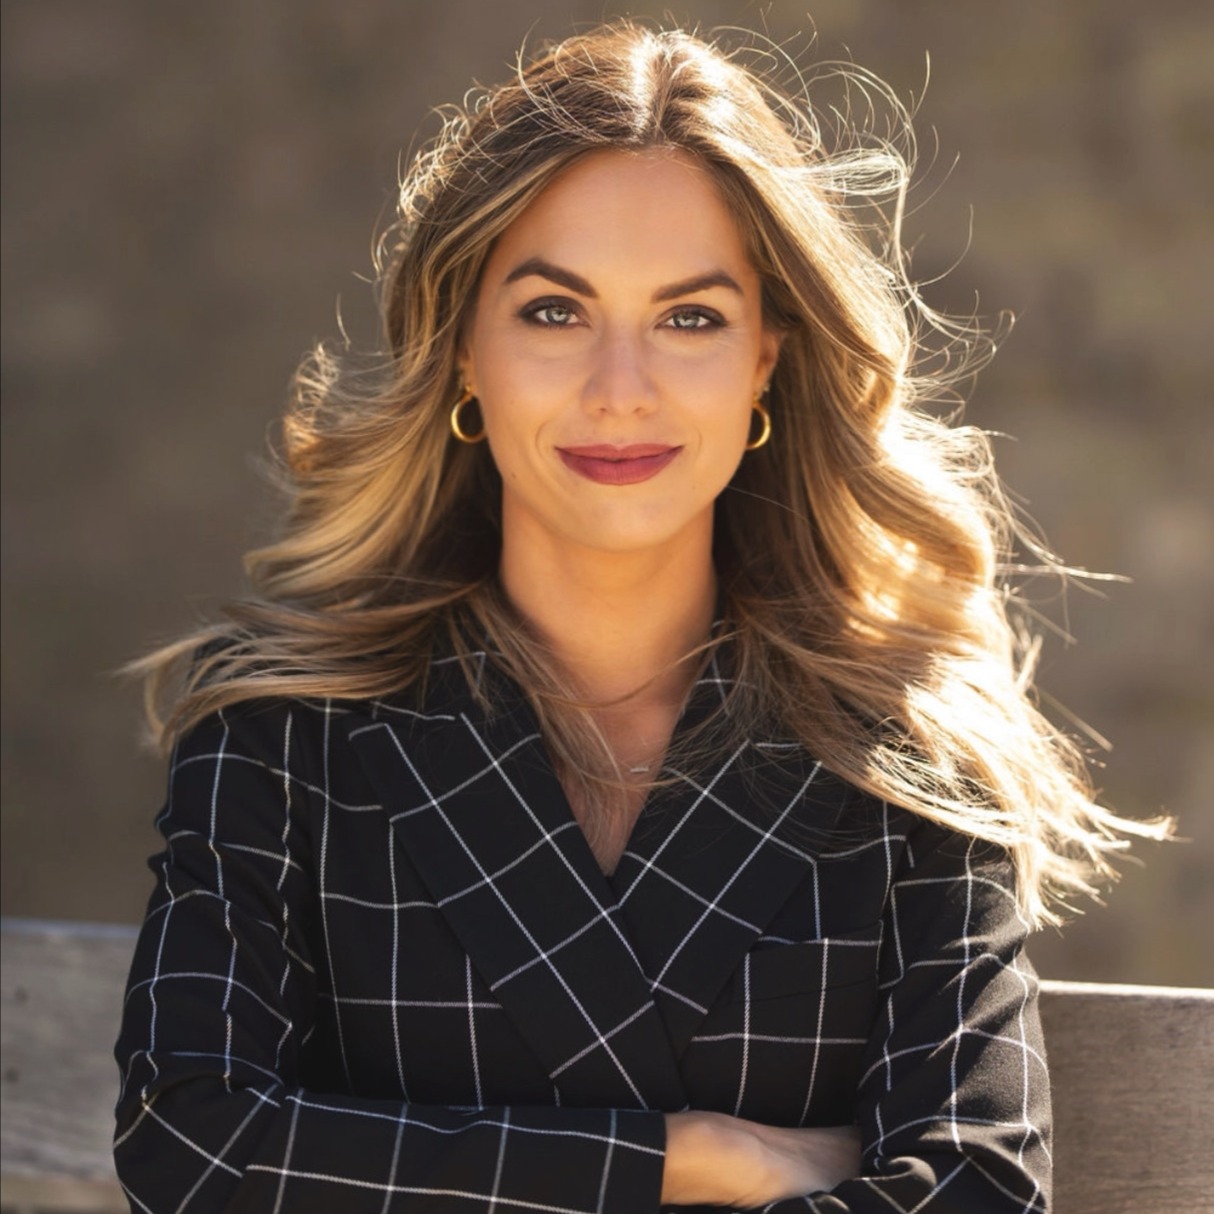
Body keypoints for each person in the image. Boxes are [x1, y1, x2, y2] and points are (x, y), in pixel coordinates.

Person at [112, 21, 1169, 1212]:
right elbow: (192, 1145)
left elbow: (974, 1186)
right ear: (464, 346)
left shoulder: (908, 762)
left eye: (690, 317)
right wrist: (696, 1159)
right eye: (555, 313)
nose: (621, 389)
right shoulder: (284, 731)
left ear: (766, 356)